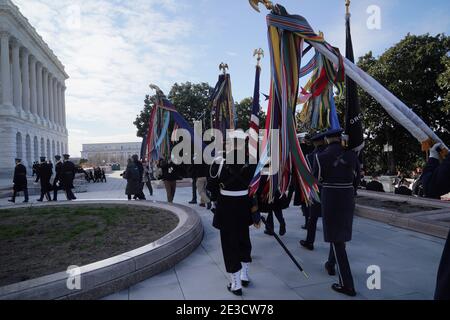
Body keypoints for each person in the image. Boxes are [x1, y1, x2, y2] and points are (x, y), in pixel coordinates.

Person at [207, 131, 259, 296]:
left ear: (228, 143)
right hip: (244, 206)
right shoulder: (251, 162)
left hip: (226, 207)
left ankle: (236, 284)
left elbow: (212, 188)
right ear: (243, 143)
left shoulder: (219, 162)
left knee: (229, 245)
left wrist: (217, 199)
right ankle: (244, 275)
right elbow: (255, 188)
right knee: (244, 239)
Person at [314, 128, 360, 297]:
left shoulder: (320, 157)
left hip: (331, 196)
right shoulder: (352, 155)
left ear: (327, 140)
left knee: (337, 239)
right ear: (340, 138)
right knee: (340, 236)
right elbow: (357, 179)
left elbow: (316, 179)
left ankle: (347, 285)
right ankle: (330, 263)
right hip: (348, 196)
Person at [300, 132, 327, 251]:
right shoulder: (331, 153)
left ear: (315, 142)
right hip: (330, 189)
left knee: (313, 217)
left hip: (315, 189)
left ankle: (310, 241)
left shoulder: (311, 156)